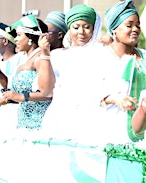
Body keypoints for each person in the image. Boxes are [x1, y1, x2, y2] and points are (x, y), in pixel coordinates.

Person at [95, 0, 146, 144]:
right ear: (114, 29)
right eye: (129, 25)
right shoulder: (100, 58)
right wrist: (114, 98)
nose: (135, 29)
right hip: (111, 136)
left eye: (138, 25)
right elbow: (86, 95)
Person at [38, 4, 106, 140]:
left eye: (87, 27)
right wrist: (45, 54)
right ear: (69, 29)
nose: (81, 32)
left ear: (94, 28)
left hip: (92, 120)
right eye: (76, 27)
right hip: (61, 120)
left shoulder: (103, 54)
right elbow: (46, 91)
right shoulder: (58, 55)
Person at [2, 16, 51, 130]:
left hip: (38, 122)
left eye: (19, 35)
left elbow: (48, 94)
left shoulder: (40, 58)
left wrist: (20, 96)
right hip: (24, 121)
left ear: (30, 37)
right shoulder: (27, 58)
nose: (15, 39)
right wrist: (7, 98)